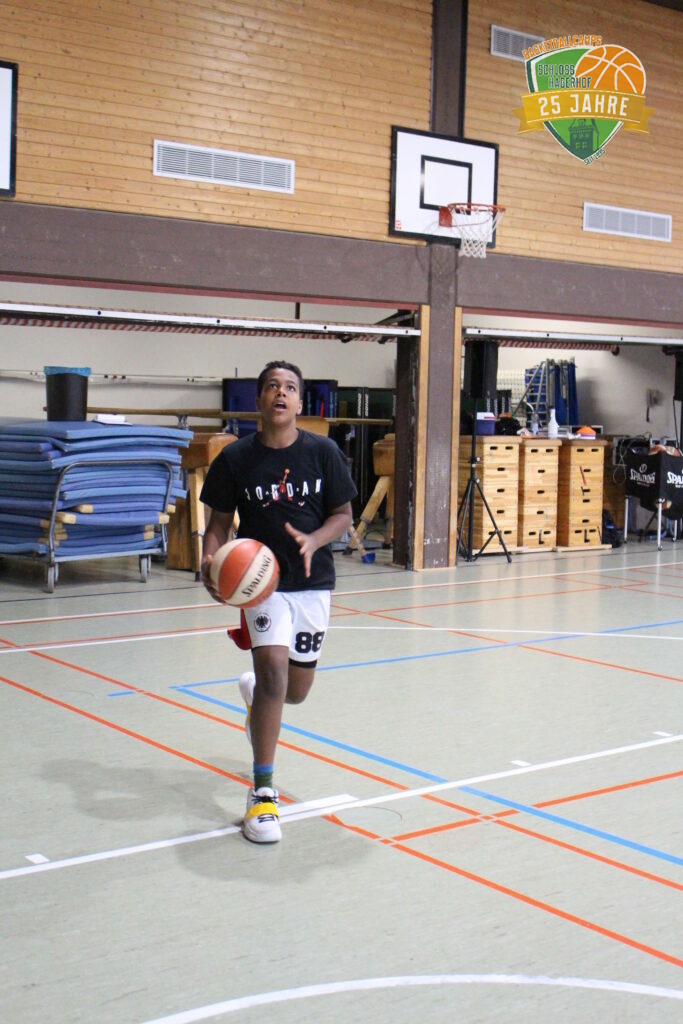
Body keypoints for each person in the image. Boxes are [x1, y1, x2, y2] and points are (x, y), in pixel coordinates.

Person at [200, 361, 356, 843]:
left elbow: (344, 515)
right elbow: (218, 524)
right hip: (262, 586)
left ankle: (255, 695)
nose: (280, 393)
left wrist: (315, 539)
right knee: (273, 675)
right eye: (272, 386)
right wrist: (209, 560)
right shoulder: (235, 459)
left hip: (312, 583)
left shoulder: (324, 452)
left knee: (295, 690)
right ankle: (263, 795)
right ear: (259, 400)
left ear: (300, 402)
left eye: (289, 387)